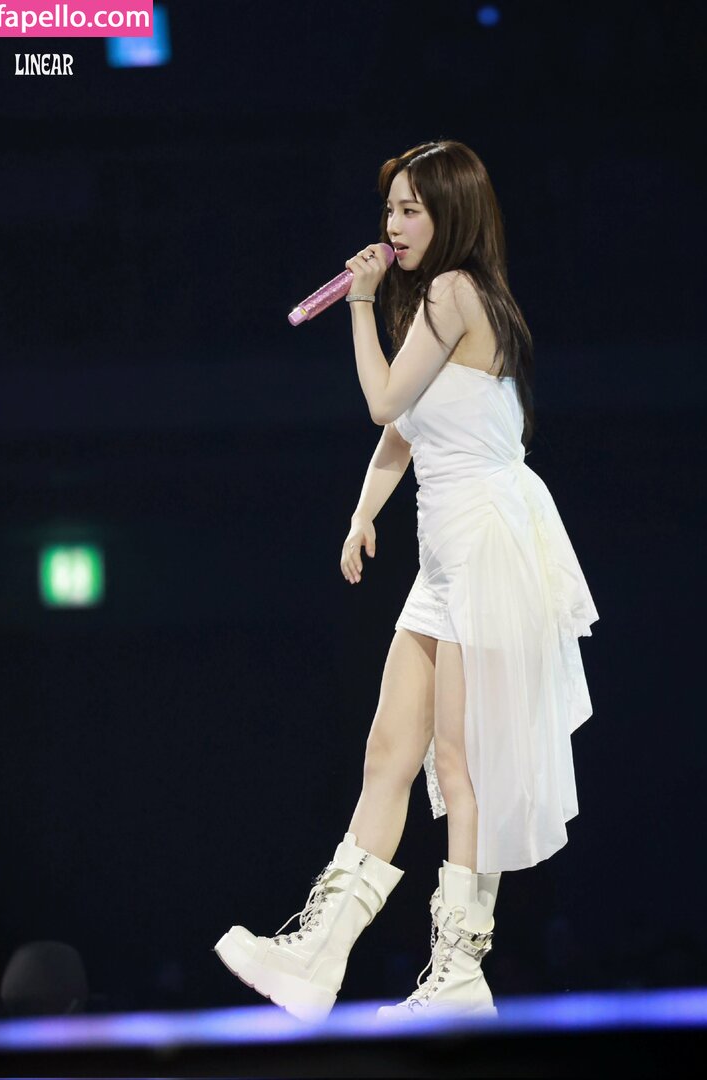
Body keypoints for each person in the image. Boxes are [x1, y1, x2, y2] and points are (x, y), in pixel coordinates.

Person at [214, 139, 599, 1023]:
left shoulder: (455, 291)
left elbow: (385, 401)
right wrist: (362, 515)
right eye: (390, 208)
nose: (393, 225)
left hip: (487, 544)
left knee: (460, 765)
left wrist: (358, 304)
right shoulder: (443, 299)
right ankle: (317, 955)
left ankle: (460, 971)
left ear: (452, 213)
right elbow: (406, 429)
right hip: (445, 554)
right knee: (388, 753)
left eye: (412, 210)